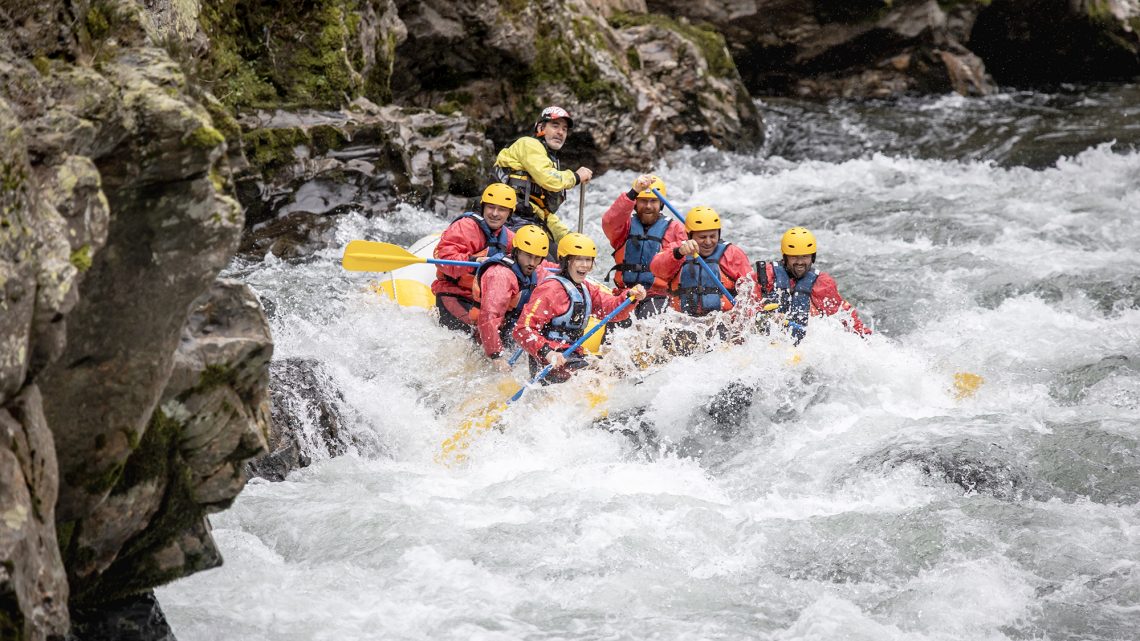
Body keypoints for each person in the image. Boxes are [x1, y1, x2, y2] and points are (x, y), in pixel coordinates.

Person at [513, 233, 646, 384]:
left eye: (588, 260)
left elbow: (611, 310)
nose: (585, 265)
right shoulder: (550, 290)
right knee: (598, 378)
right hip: (550, 361)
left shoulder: (586, 288)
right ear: (566, 261)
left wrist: (629, 296)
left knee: (621, 370)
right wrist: (547, 352)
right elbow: (522, 329)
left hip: (572, 356)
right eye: (579, 259)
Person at [493, 106, 593, 249]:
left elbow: (542, 211)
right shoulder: (529, 144)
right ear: (541, 128)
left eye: (564, 129)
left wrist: (567, 236)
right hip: (510, 215)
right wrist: (576, 176)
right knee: (550, 256)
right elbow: (549, 179)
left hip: (529, 216)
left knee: (572, 248)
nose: (560, 132)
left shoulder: (549, 159)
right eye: (555, 126)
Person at [755, 227, 872, 342]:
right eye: (794, 257)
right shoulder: (766, 277)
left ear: (813, 257)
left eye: (805, 256)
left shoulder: (823, 284)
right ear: (785, 257)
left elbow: (845, 316)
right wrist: (760, 316)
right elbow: (745, 310)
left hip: (802, 346)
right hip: (766, 340)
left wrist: (866, 340)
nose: (800, 262)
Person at [431, 183, 517, 334]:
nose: (495, 213)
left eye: (502, 209)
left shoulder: (510, 238)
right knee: (477, 337)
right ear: (483, 207)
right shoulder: (465, 227)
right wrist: (473, 261)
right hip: (454, 294)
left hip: (483, 303)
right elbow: (443, 257)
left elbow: (530, 263)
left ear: (509, 213)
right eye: (491, 207)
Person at [602, 174, 687, 318]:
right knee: (611, 332)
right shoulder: (623, 226)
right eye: (643, 201)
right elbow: (609, 221)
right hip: (626, 293)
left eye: (653, 201)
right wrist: (633, 192)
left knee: (651, 318)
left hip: (658, 296)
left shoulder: (676, 229)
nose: (648, 206)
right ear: (635, 203)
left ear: (661, 204)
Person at [472, 225, 551, 372]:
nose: (532, 263)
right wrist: (496, 355)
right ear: (516, 251)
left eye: (537, 258)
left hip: (515, 331)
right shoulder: (500, 275)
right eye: (528, 256)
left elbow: (554, 274)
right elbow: (489, 317)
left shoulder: (537, 270)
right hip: (488, 338)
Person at [650, 206, 755, 317]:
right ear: (689, 235)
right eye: (702, 237)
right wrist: (678, 253)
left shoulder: (732, 254)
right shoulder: (678, 250)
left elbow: (751, 289)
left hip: (722, 320)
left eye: (713, 236)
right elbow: (656, 269)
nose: (708, 242)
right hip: (682, 321)